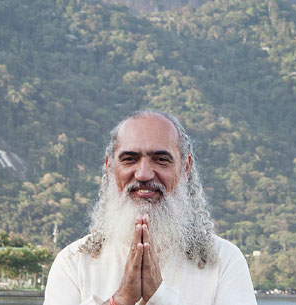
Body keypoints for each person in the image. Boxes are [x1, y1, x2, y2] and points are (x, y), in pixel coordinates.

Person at [44, 110, 257, 305]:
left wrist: (160, 296)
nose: (144, 174)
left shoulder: (224, 261)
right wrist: (120, 300)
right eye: (130, 159)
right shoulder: (74, 262)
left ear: (185, 167)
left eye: (161, 159)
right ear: (110, 167)